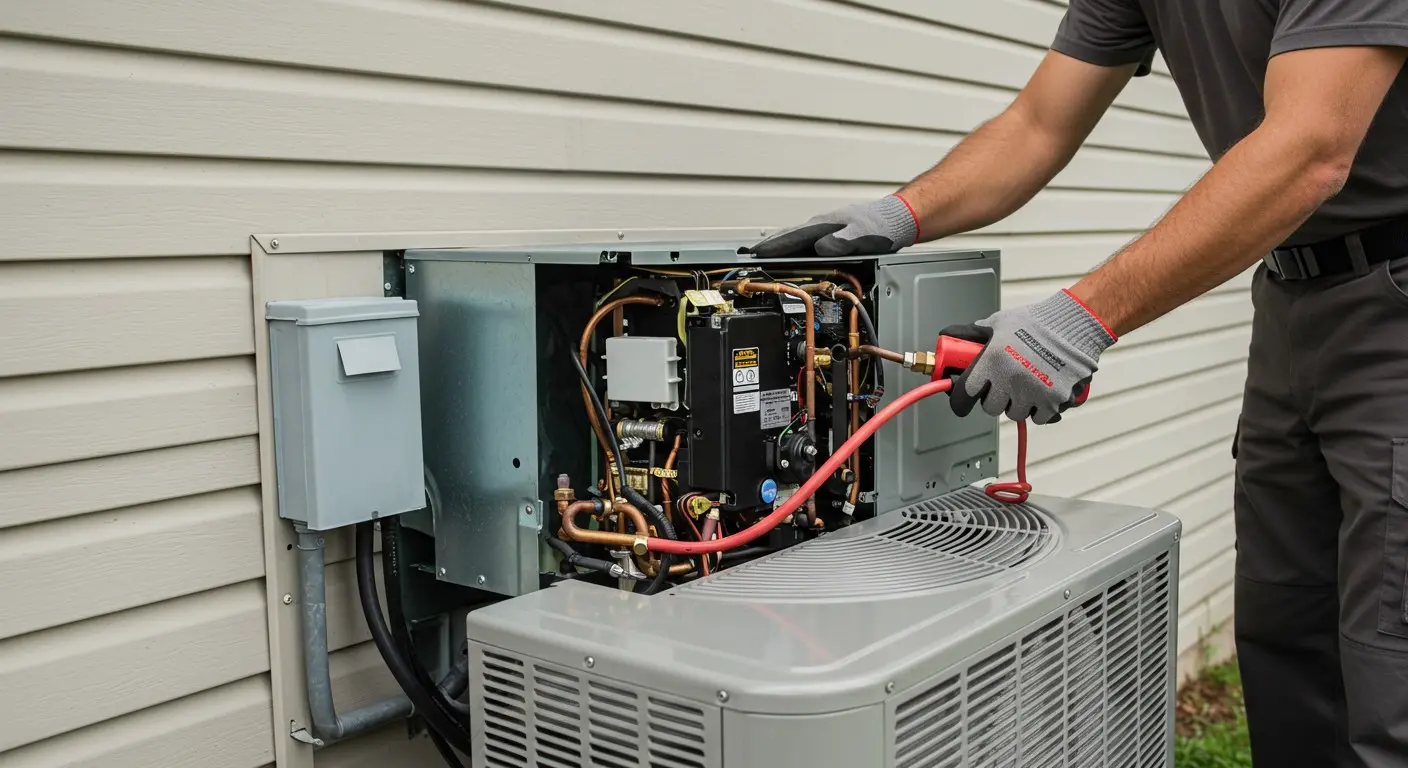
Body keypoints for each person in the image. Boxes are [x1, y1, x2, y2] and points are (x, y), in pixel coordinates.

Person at [748, 2, 1408, 765]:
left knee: (1391, 671)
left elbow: (1311, 147)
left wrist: (1080, 319)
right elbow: (1038, 123)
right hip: (1292, 295)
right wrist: (899, 215)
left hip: (1394, 296)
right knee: (1286, 638)